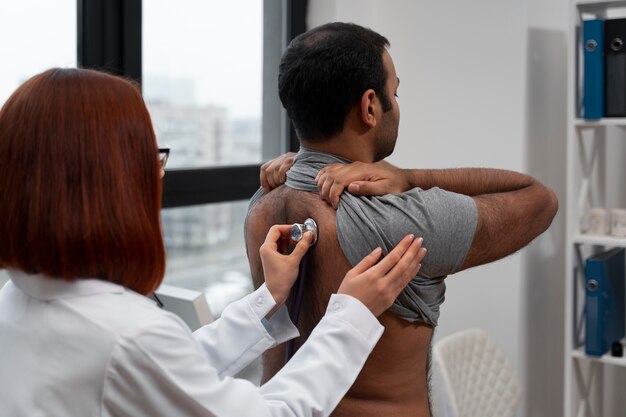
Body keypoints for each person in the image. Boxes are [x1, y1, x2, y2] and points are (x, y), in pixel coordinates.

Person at [0, 67, 429, 417]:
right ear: (108, 181)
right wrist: (349, 317)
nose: (160, 173)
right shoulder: (129, 334)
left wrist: (266, 300)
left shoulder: (15, 299)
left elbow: (172, 370)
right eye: (148, 156)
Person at [245, 22, 559, 417]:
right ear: (371, 106)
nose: (397, 101)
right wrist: (411, 178)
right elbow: (539, 198)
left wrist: (297, 167)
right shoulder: (401, 221)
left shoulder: (262, 206)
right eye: (395, 91)